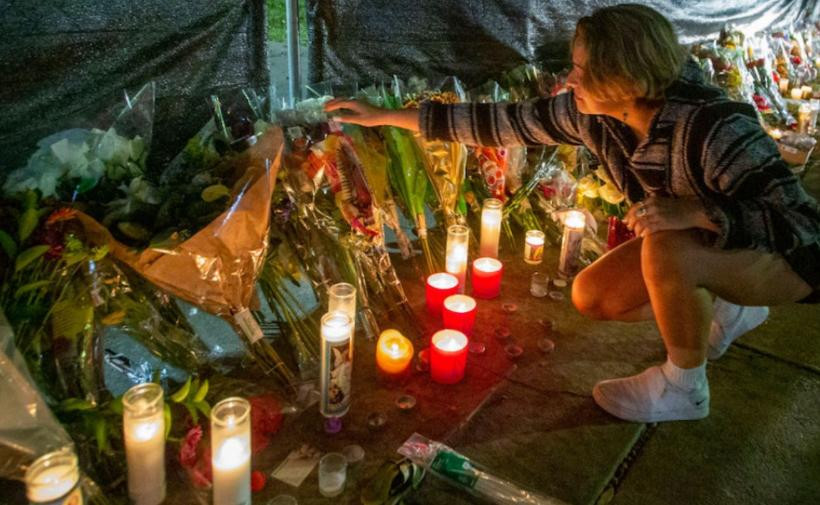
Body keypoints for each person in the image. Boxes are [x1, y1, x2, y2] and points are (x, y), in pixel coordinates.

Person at [324, 4, 820, 423]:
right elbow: (499, 122)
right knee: (593, 296)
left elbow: (801, 225)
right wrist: (385, 116)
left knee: (668, 246)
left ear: (625, 78)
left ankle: (685, 387)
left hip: (790, 264)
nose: (569, 79)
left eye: (582, 70)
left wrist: (697, 212)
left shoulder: (715, 127)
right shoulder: (595, 117)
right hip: (717, 247)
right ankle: (733, 304)